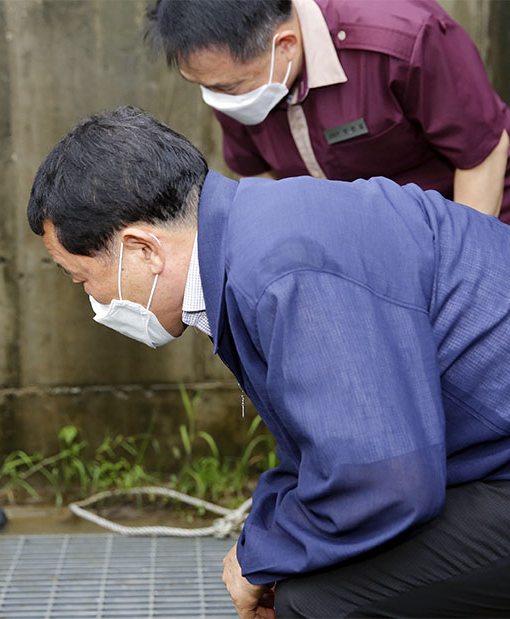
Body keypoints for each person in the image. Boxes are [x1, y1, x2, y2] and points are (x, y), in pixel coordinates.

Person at [27, 106, 510, 618]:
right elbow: (315, 446)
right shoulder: (253, 236)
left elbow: (389, 483)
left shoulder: (283, 270)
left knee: (316, 599)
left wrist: (261, 561)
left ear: (143, 249)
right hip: (477, 455)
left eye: (81, 278)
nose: (93, 300)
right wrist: (262, 545)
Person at [146, 0, 510, 224]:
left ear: (285, 45)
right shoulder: (232, 80)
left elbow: (483, 152)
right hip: (363, 245)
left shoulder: (405, 41)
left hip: (470, 215)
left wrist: (459, 266)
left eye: (227, 88)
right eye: (203, 85)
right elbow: (259, 176)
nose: (218, 100)